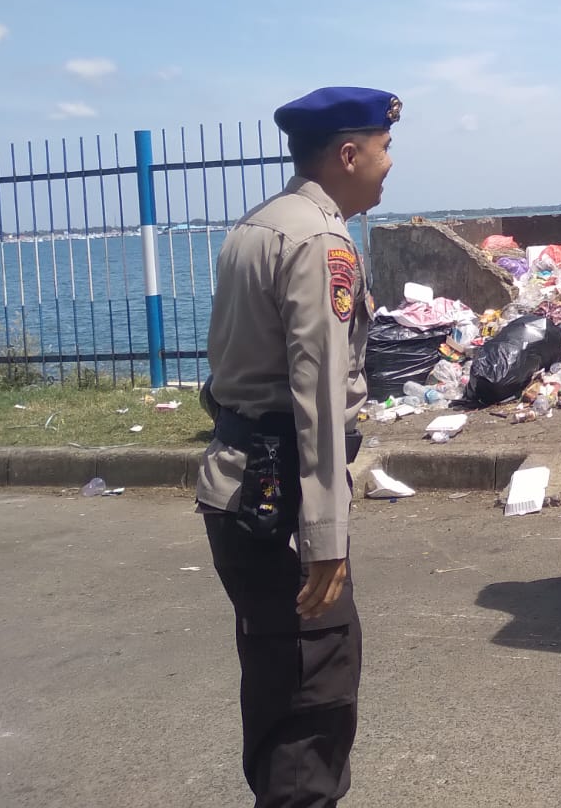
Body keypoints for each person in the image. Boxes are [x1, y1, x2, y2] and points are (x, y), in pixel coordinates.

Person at [195, 86, 400, 808]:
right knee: (314, 696)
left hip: (239, 483)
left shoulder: (260, 224)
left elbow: (225, 373)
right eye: (383, 148)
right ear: (347, 154)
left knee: (278, 683)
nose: (389, 162)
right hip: (278, 499)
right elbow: (317, 397)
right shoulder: (320, 242)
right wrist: (325, 538)